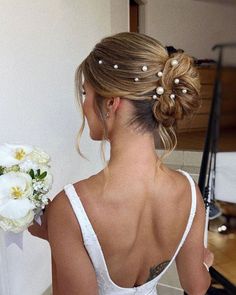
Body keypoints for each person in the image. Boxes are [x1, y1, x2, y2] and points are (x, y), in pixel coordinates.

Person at [28, 32, 214, 295]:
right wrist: (205, 264)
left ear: (111, 103)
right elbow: (196, 286)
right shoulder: (189, 192)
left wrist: (58, 240)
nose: (83, 105)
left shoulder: (71, 208)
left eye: (85, 93)